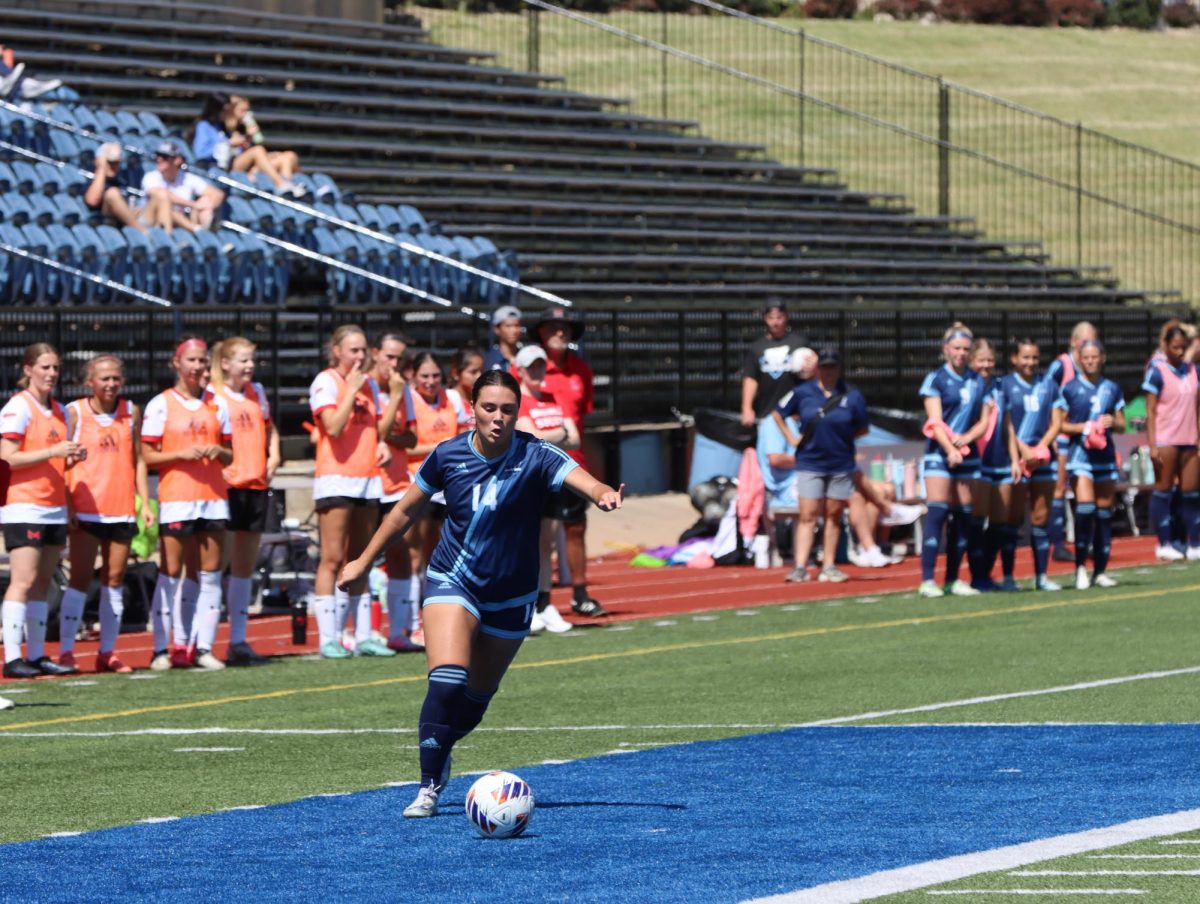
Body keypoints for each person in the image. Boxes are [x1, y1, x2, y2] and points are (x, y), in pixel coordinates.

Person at [336, 370, 624, 819]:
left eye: (508, 410)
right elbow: (405, 511)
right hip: (454, 579)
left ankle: (443, 746)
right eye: (489, 408)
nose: (498, 418)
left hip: (512, 594)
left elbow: (584, 480)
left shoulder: (538, 454)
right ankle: (429, 786)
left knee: (473, 702)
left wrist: (603, 493)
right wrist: (363, 561)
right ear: (472, 408)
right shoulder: (447, 454)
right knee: (447, 679)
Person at [140, 337, 233, 671]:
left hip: (212, 498)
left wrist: (217, 452)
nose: (198, 367)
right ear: (176, 363)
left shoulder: (217, 404)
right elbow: (147, 455)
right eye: (191, 361)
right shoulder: (160, 404)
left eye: (202, 362)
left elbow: (230, 452)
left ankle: (201, 645)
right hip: (178, 497)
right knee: (170, 572)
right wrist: (180, 454)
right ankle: (162, 647)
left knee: (209, 574)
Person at [58, 355, 152, 674]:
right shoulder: (75, 413)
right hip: (86, 508)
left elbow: (138, 459)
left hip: (120, 508)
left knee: (114, 581)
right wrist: (68, 504)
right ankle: (67, 652)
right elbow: (62, 462)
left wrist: (145, 501)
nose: (111, 384)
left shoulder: (130, 412)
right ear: (90, 382)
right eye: (104, 379)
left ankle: (107, 652)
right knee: (80, 579)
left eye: (116, 378)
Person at [309, 325, 391, 660]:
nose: (359, 356)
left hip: (367, 478)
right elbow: (332, 426)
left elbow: (377, 427)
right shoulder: (327, 381)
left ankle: (362, 634)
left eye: (363, 350)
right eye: (353, 350)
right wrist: (351, 390)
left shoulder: (369, 385)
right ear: (337, 350)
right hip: (336, 478)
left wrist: (382, 442)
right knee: (331, 558)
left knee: (361, 561)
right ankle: (329, 637)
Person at [1, 343, 80, 679]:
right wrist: (53, 451)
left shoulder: (59, 411)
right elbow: (8, 457)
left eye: (55, 368)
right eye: (45, 367)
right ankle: (12, 656)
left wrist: (70, 456)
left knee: (43, 581)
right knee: (23, 580)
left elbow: (54, 456)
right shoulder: (18, 407)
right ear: (28, 369)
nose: (51, 374)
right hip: (24, 504)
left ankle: (35, 654)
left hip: (53, 506)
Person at [206, 337, 280, 666]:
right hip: (226, 484)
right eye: (242, 360)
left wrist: (274, 455)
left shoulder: (257, 392)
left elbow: (270, 428)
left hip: (254, 482)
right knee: (214, 566)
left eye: (252, 360)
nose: (249, 366)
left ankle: (237, 640)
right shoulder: (214, 395)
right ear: (225, 363)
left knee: (243, 569)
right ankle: (202, 643)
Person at [535, 306, 607, 618]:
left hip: (573, 460)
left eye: (564, 328)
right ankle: (539, 599)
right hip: (538, 463)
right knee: (539, 533)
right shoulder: (530, 368)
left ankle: (579, 593)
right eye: (553, 327)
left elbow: (583, 420)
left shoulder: (581, 370)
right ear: (541, 332)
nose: (559, 333)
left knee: (575, 527)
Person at [772, 348, 867, 583]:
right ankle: (801, 566)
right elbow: (778, 413)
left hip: (840, 462)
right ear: (818, 369)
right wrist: (792, 439)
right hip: (810, 462)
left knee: (834, 515)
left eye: (833, 367)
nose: (829, 371)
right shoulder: (803, 392)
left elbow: (862, 426)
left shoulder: (852, 395)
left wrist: (841, 439)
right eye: (824, 367)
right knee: (808, 514)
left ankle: (829, 565)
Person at [917, 323, 991, 599]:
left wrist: (967, 439)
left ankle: (953, 579)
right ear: (946, 349)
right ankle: (927, 579)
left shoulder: (977, 381)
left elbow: (984, 421)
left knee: (963, 517)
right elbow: (935, 421)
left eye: (965, 349)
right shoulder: (935, 379)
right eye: (956, 348)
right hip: (940, 453)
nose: (960, 353)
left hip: (967, 455)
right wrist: (950, 448)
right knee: (937, 512)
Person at [513, 344, 580, 635]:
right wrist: (559, 434)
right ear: (520, 371)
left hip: (554, 480)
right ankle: (524, 606)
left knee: (546, 546)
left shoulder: (554, 398)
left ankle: (544, 603)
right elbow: (531, 437)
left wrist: (553, 437)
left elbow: (575, 438)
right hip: (529, 481)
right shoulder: (519, 401)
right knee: (525, 545)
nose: (538, 372)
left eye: (541, 366)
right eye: (532, 368)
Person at [405, 351, 469, 644]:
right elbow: (406, 447)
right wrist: (441, 448)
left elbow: (463, 438)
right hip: (418, 485)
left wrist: (439, 449)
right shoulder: (408, 399)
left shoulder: (452, 399)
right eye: (424, 376)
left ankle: (450, 616)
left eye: (434, 376)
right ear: (413, 376)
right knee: (416, 554)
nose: (430, 382)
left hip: (450, 487)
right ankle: (416, 619)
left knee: (446, 555)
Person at [367, 331, 421, 654]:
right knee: (364, 554)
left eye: (399, 358)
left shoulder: (402, 390)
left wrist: (390, 440)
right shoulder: (368, 387)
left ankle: (399, 630)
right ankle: (367, 630)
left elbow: (411, 438)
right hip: (366, 480)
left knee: (401, 554)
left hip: (397, 481)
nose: (394, 363)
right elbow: (377, 431)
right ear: (376, 353)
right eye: (389, 356)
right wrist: (387, 435)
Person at [1000, 337, 1067, 592]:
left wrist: (1040, 449)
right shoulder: (1004, 385)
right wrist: (1023, 449)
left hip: (1042, 460)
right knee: (1013, 518)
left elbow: (1057, 422)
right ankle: (1008, 577)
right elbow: (1003, 423)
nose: (1030, 363)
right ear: (1015, 359)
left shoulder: (1048, 385)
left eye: (1035, 358)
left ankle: (1041, 576)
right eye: (1025, 357)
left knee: (1041, 518)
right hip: (1016, 458)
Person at [1060, 339, 1125, 590]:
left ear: (1103, 358)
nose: (1090, 361)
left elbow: (1122, 423)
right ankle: (1079, 568)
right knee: (1085, 509)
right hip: (1080, 457)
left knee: (1103, 514)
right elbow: (1060, 424)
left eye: (1094, 356)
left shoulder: (1112, 388)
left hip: (1105, 457)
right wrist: (1083, 428)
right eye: (1085, 357)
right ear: (1079, 358)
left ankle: (1100, 570)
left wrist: (1112, 422)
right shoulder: (1070, 388)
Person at [1142, 323, 1200, 561]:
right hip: (1167, 439)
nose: (1178, 351)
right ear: (1165, 346)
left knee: (1191, 494)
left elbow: (1197, 407)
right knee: (1163, 491)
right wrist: (1153, 444)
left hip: (1190, 439)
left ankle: (1194, 544)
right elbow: (1151, 411)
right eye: (1174, 347)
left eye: (1182, 347)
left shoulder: (1193, 370)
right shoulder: (1157, 371)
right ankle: (1164, 543)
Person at [968, 338, 1021, 592]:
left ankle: (986, 574)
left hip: (1000, 461)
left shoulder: (1001, 387)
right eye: (981, 360)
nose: (986, 365)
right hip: (978, 461)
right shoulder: (969, 385)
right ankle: (977, 577)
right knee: (978, 521)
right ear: (972, 361)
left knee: (999, 523)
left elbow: (1008, 425)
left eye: (990, 360)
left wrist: (1014, 459)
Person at [1045, 321, 1097, 563]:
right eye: (1086, 340)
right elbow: (1044, 393)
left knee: (1084, 490)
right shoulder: (1061, 365)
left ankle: (1087, 541)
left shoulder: (1091, 366)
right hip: (1062, 434)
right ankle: (1057, 544)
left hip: (1084, 438)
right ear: (1075, 342)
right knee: (1059, 488)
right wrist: (1049, 433)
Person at [740, 299, 809, 427]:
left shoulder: (800, 344)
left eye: (779, 317)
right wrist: (747, 407)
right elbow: (750, 378)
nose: (775, 322)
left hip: (794, 417)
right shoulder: (757, 347)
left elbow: (812, 376)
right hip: (767, 416)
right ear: (764, 318)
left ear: (786, 316)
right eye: (771, 318)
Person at [141, 140, 226, 234]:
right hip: (150, 220)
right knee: (166, 204)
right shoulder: (151, 176)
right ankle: (197, 231)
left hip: (179, 223)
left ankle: (204, 236)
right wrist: (193, 205)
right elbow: (163, 195)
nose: (159, 159)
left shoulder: (187, 178)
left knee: (205, 200)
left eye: (165, 157)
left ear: (177, 160)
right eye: (158, 156)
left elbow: (217, 194)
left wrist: (205, 207)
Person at [227, 94, 303, 194]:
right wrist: (246, 137)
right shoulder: (225, 127)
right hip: (232, 166)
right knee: (258, 150)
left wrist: (251, 138)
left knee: (289, 156)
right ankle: (281, 184)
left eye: (247, 110)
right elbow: (227, 148)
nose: (246, 114)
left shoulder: (243, 127)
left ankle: (288, 187)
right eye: (242, 110)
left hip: (252, 166)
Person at [83, 143, 147, 234]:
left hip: (124, 222)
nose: (113, 166)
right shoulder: (91, 176)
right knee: (112, 193)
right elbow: (92, 200)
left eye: (117, 163)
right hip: (104, 221)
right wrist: (101, 168)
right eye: (110, 162)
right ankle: (144, 232)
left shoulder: (121, 179)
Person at [446, 346, 485, 429]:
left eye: (482, 371)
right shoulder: (447, 400)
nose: (479, 376)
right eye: (473, 372)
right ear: (456, 373)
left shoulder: (484, 400)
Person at [483, 306, 523, 372]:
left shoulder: (528, 358)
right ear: (497, 329)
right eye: (508, 326)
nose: (514, 330)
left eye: (517, 325)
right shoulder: (487, 360)